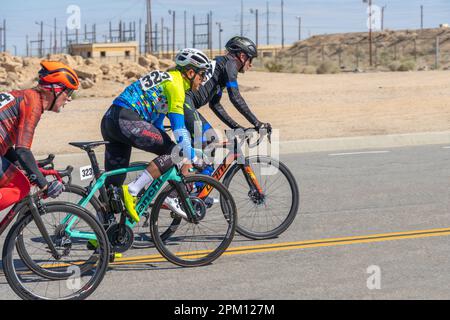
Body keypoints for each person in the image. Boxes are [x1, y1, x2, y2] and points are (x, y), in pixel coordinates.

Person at [101, 48, 211, 223]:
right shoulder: (176, 85)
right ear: (190, 72)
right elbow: (179, 129)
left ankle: (102, 233)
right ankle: (133, 189)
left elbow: (157, 123)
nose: (203, 80)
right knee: (176, 152)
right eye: (202, 75)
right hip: (127, 119)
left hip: (111, 120)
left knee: (113, 186)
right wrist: (193, 158)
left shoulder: (166, 78)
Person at [183, 36, 272, 174]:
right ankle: (183, 191)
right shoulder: (230, 64)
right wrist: (257, 123)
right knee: (207, 143)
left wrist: (237, 127)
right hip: (185, 105)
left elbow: (215, 105)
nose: (251, 64)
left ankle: (196, 191)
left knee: (208, 143)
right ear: (242, 56)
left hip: (187, 106)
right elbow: (235, 97)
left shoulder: (221, 67)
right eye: (251, 59)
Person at [0, 61, 79, 210]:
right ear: (55, 89)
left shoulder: (24, 96)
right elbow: (22, 150)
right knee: (20, 187)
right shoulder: (33, 102)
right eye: (68, 92)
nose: (69, 99)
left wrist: (32, 168)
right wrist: (44, 185)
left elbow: (8, 147)